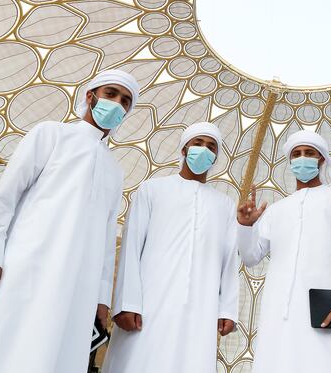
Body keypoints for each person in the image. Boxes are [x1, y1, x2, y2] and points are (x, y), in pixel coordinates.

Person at [0, 70, 140, 373]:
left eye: (125, 101)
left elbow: (105, 242)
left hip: (79, 286)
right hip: (25, 269)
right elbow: (5, 197)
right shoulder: (51, 134)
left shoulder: (114, 171)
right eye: (111, 94)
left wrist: (102, 299)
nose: (117, 104)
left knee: (56, 355)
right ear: (90, 97)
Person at [102, 122, 239, 373]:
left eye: (211, 147)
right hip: (147, 304)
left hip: (201, 307)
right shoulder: (152, 189)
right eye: (198, 143)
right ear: (185, 148)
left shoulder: (225, 205)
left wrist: (227, 309)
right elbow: (131, 248)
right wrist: (126, 303)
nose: (204, 150)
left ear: (216, 157)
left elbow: (229, 261)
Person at [237, 130, 331, 373]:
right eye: (297, 154)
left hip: (326, 312)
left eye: (309, 153)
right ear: (290, 161)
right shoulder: (276, 209)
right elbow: (251, 257)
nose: (302, 158)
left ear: (321, 160)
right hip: (279, 311)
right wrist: (245, 226)